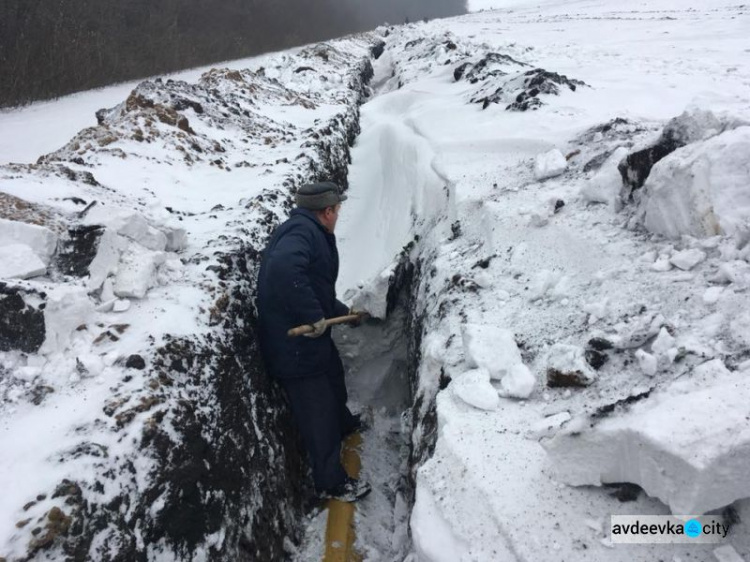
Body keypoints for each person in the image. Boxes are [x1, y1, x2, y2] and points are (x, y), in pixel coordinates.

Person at [256, 181, 371, 503]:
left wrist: (341, 312)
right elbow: (283, 269)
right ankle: (331, 482)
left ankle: (344, 424)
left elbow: (314, 285)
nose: (338, 216)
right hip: (294, 346)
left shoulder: (306, 229)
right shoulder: (301, 234)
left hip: (310, 339)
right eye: (338, 211)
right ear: (328, 211)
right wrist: (312, 316)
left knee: (333, 378)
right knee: (317, 412)